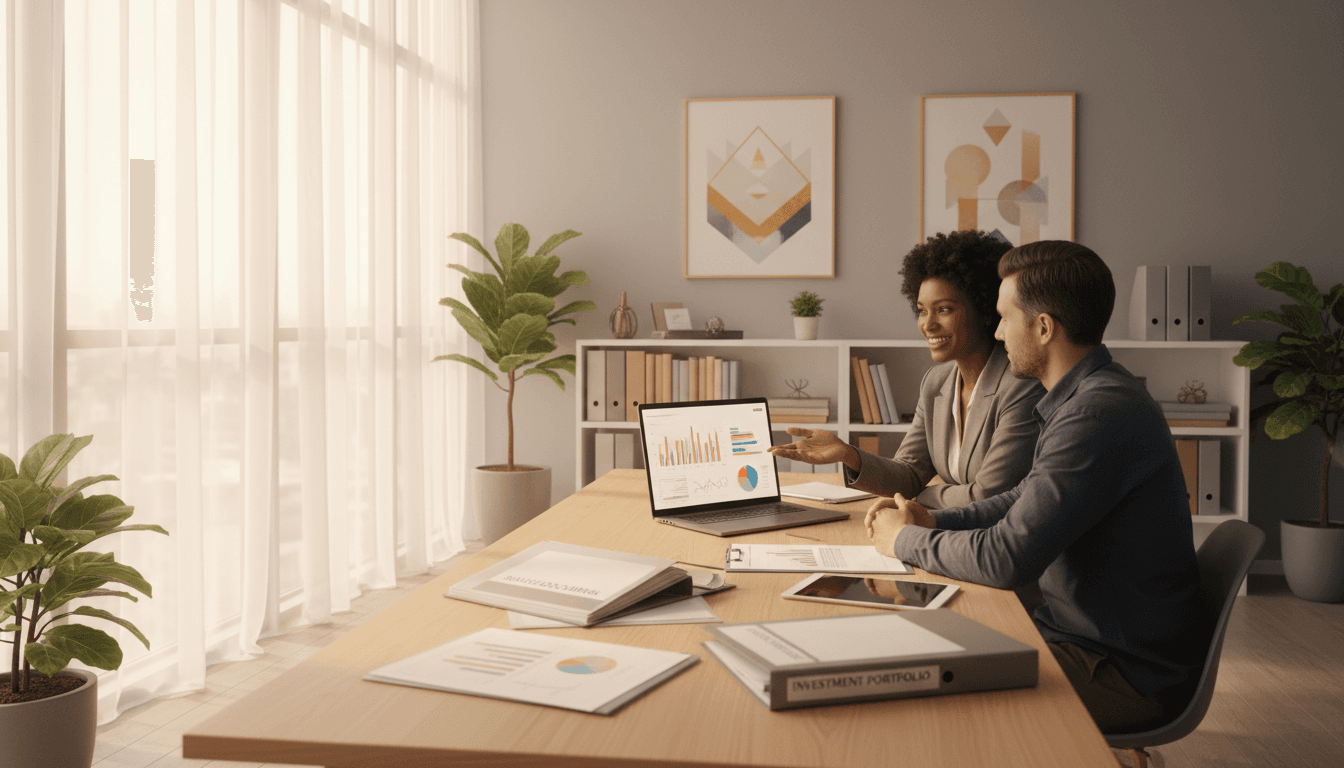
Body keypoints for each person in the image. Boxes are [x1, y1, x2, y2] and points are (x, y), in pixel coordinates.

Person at [865, 240, 1208, 734]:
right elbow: (1021, 498)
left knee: (905, 682)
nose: (998, 331)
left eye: (1005, 317)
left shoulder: (1096, 413)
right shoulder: (1086, 395)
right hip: (1079, 638)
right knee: (906, 640)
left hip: (1118, 671)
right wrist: (934, 520)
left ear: (1044, 327)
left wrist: (902, 540)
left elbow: (1008, 558)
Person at [769, 229, 1045, 509]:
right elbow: (909, 474)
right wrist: (848, 454)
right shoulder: (936, 383)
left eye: (944, 309)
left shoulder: (1021, 386)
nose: (928, 325)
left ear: (985, 308)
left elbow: (988, 496)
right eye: (922, 310)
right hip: (947, 530)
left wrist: (921, 497)